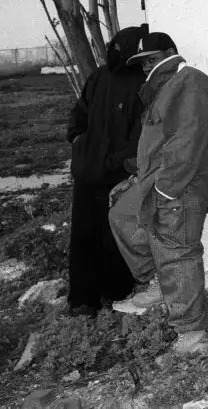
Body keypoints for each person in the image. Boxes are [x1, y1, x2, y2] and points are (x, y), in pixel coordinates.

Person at [108, 31, 208, 357]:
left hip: (185, 183)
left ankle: (192, 338)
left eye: (152, 59)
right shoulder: (163, 88)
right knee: (123, 215)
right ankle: (158, 281)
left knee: (177, 251)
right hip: (160, 180)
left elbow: (186, 141)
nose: (147, 66)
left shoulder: (191, 82)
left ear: (171, 53)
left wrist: (164, 191)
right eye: (143, 62)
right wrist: (140, 180)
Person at [65, 25, 148, 316]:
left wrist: (116, 163)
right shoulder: (100, 77)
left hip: (111, 175)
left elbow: (140, 135)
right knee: (89, 235)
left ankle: (110, 296)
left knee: (112, 235)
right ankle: (86, 301)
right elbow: (78, 118)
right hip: (93, 173)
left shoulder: (142, 81)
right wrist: (81, 144)